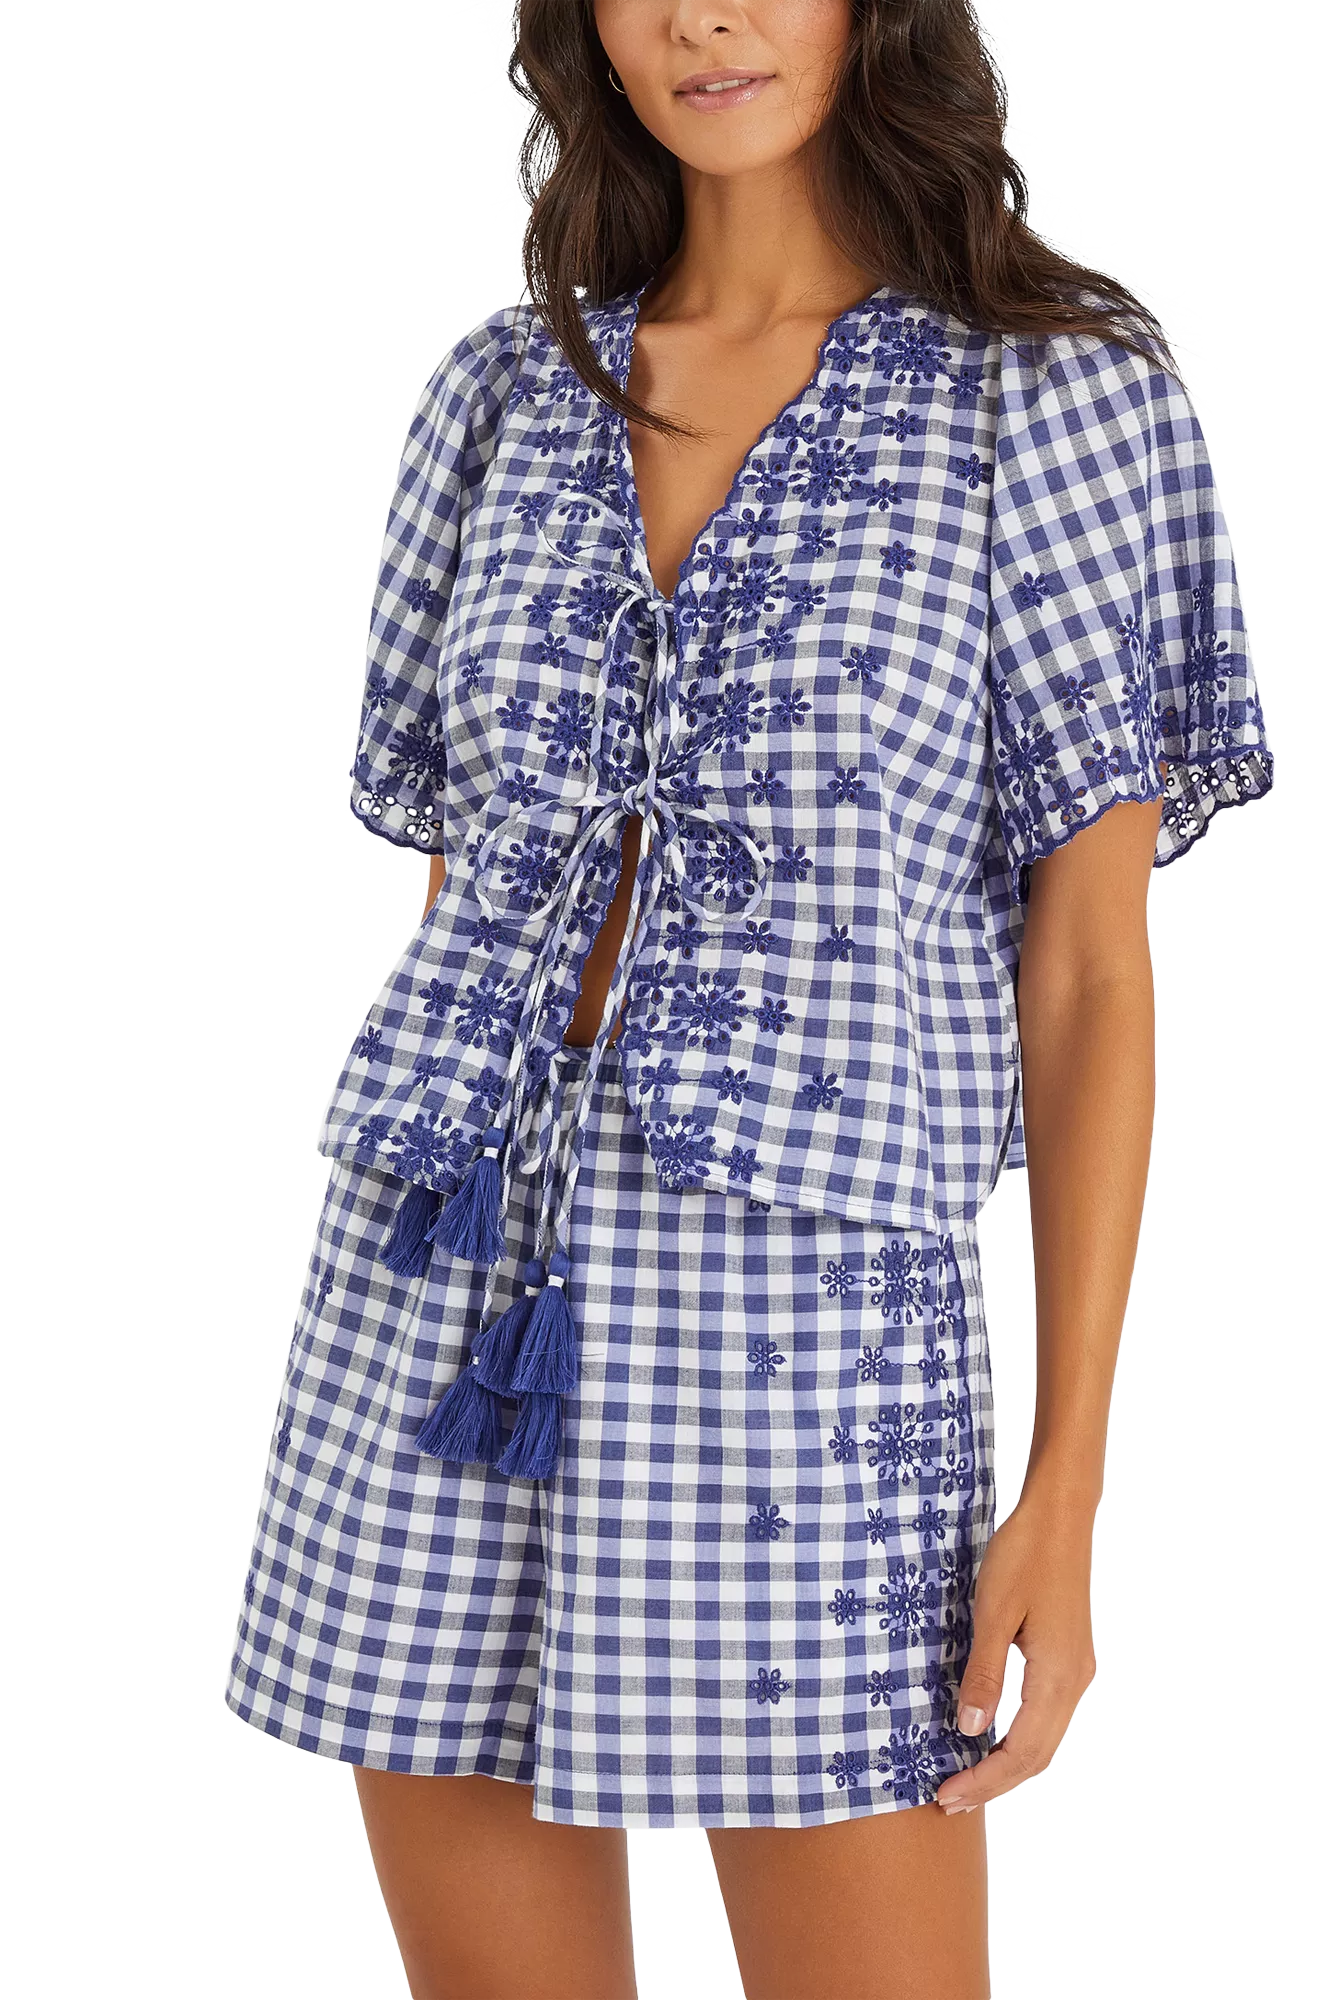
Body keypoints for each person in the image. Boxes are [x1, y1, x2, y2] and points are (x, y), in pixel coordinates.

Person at [226, 4, 1272, 1995]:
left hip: (810, 1338)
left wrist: (1066, 1484)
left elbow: (1087, 972)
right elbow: (469, 879)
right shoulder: (500, 396)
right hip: (439, 1304)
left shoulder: (1051, 402)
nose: (705, 16)